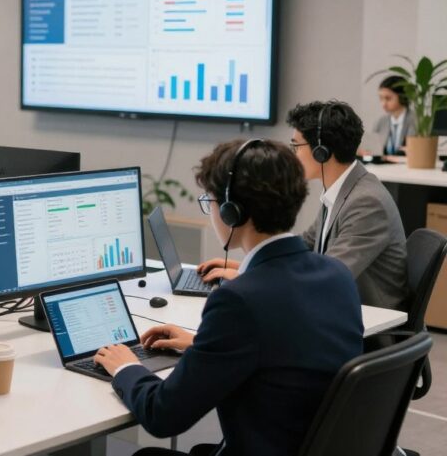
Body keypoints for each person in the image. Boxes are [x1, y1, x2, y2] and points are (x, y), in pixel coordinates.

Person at [96, 139, 364, 456]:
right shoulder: (336, 274)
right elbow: (287, 351)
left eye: (209, 200)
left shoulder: (239, 301)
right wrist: (202, 345)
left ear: (231, 210)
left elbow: (163, 415)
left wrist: (126, 367)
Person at [199, 101, 409, 312]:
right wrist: (248, 266)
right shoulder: (342, 188)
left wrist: (248, 278)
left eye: (295, 146)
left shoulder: (366, 202)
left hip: (366, 327)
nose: (292, 154)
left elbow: (326, 277)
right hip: (333, 310)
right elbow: (304, 247)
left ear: (322, 151)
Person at [372, 75, 415, 156]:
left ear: (402, 97)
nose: (383, 104)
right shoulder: (380, 122)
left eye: (388, 98)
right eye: (381, 98)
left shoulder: (416, 121)